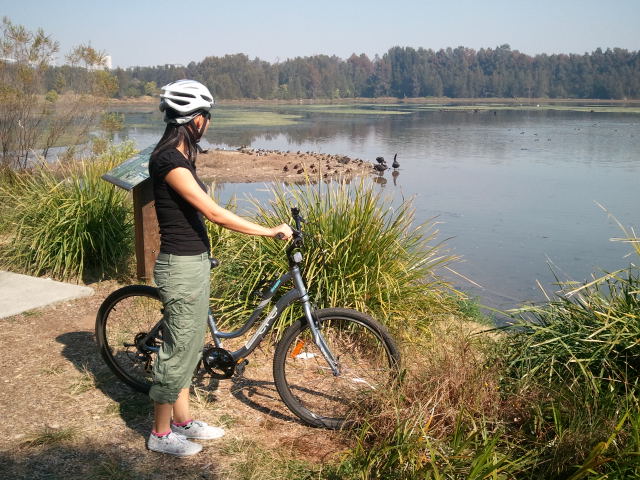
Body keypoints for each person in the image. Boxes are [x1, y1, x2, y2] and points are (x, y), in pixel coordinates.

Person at [146, 79, 293, 456]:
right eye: (206, 115)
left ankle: (182, 422)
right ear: (194, 119)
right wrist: (267, 230)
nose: (208, 121)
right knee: (176, 351)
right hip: (179, 266)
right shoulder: (167, 159)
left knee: (190, 347)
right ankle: (160, 434)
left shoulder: (182, 156)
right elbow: (213, 213)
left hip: (192, 262)